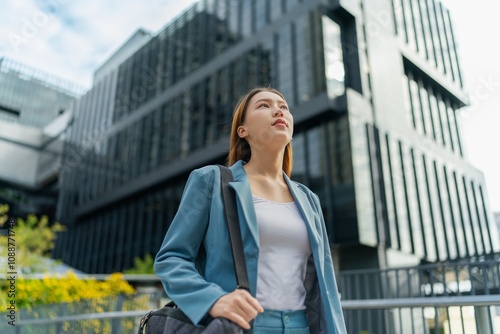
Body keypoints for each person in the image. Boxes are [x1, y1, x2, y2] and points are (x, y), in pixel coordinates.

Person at [154, 87, 347, 334]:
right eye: (264, 106)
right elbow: (172, 258)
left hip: (302, 327)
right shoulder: (210, 181)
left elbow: (326, 284)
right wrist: (212, 299)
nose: (278, 110)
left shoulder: (309, 199)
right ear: (242, 130)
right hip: (241, 327)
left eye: (284, 107)